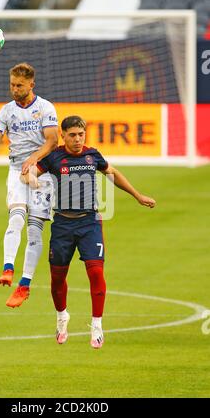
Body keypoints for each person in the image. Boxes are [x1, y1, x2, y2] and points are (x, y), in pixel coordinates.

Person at [21, 115, 156, 348]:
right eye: (72, 135)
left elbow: (113, 173)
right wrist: (31, 179)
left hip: (90, 223)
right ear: (63, 136)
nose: (77, 139)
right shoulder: (54, 157)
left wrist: (137, 195)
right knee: (57, 278)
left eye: (81, 134)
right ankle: (62, 317)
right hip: (62, 225)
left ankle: (97, 325)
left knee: (96, 273)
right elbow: (28, 174)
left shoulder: (92, 155)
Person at [0, 62, 58, 308]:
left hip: (42, 173)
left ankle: (24, 285)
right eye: (12, 84)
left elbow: (53, 140)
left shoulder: (45, 108)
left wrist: (35, 158)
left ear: (31, 84)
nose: (14, 89)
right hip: (16, 169)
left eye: (19, 85)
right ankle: (8, 268)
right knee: (16, 216)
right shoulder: (6, 111)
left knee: (34, 230)